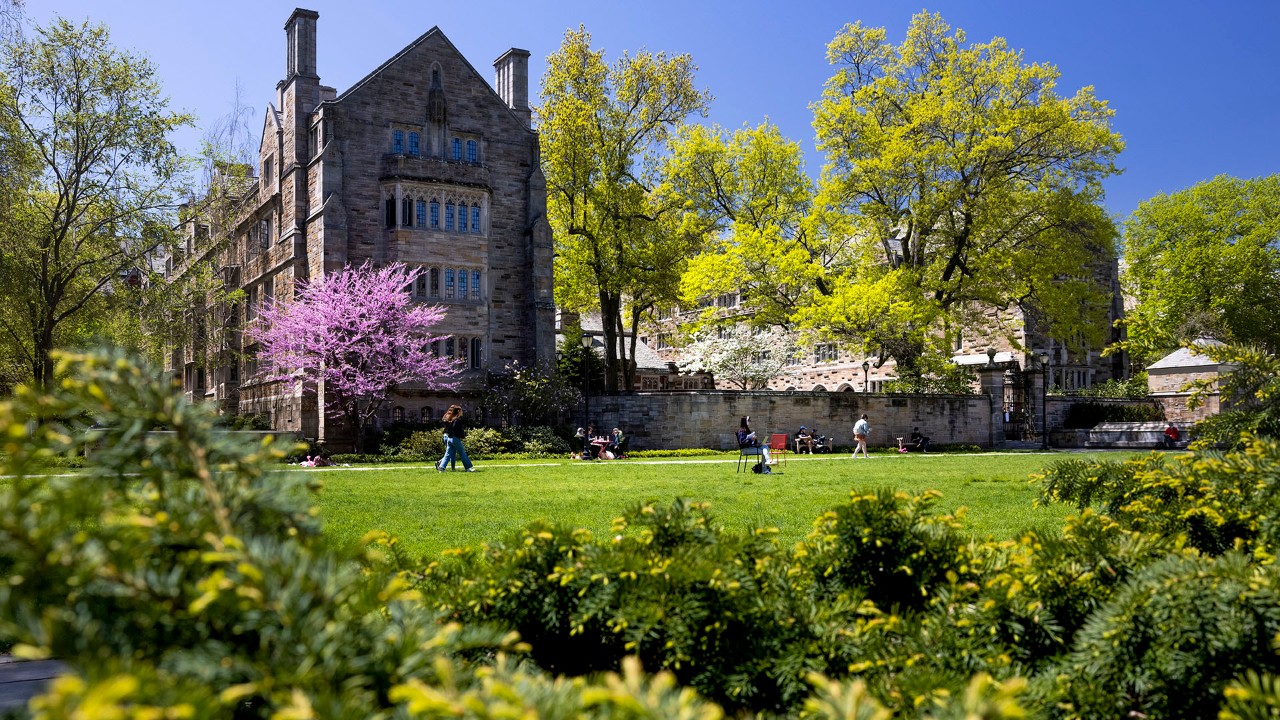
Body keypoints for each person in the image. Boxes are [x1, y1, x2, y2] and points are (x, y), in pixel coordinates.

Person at [436, 404, 475, 472]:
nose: (462, 412)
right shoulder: (457, 420)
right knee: (462, 453)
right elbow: (456, 429)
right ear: (458, 411)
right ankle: (468, 468)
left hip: (449, 438)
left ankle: (442, 468)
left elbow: (449, 429)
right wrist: (462, 436)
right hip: (455, 439)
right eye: (461, 411)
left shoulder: (450, 419)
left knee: (447, 454)